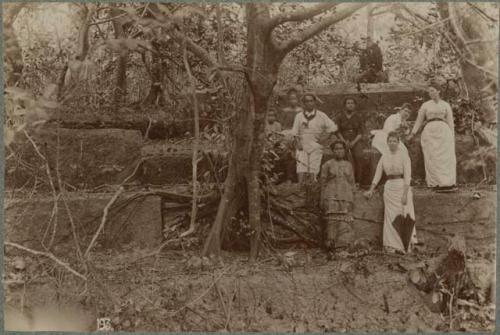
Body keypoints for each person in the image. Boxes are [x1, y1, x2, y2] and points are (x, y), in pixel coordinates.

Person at [364, 132, 417, 254]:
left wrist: (405, 194)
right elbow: (378, 174)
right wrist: (371, 189)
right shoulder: (384, 156)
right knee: (390, 216)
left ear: (398, 143)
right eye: (390, 141)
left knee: (405, 214)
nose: (392, 143)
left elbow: (408, 176)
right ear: (387, 143)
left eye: (394, 141)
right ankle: (392, 246)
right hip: (389, 188)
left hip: (402, 186)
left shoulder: (404, 156)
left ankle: (407, 245)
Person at [407, 84, 457, 191]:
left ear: (438, 91)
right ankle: (435, 183)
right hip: (430, 131)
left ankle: (448, 182)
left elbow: (450, 122)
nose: (431, 93)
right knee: (432, 156)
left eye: (433, 90)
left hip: (444, 131)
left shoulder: (445, 105)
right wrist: (413, 133)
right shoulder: (425, 105)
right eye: (429, 91)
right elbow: (419, 121)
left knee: (446, 157)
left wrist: (452, 136)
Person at [290, 92, 338, 184]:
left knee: (313, 167)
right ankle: (301, 187)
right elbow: (295, 132)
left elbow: (333, 127)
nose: (309, 103)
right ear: (303, 103)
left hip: (315, 143)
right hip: (302, 143)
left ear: (314, 102)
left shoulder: (321, 115)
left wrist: (323, 139)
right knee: (301, 166)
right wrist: (298, 142)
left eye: (311, 101)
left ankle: (312, 187)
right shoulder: (299, 116)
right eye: (306, 101)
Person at [320, 141, 355, 252]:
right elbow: (323, 183)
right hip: (331, 196)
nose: (339, 151)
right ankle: (331, 247)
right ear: (333, 151)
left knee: (345, 221)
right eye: (336, 149)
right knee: (332, 221)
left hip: (346, 196)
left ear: (345, 151)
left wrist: (352, 198)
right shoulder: (327, 165)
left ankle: (343, 247)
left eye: (341, 149)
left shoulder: (349, 165)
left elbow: (352, 182)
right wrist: (322, 198)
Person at [335, 97, 366, 186]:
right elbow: (337, 131)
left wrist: (354, 142)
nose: (350, 105)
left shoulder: (359, 117)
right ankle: (343, 179)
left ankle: (357, 181)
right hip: (342, 140)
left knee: (359, 155)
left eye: (352, 103)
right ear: (345, 105)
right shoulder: (340, 116)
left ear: (355, 105)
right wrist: (343, 141)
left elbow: (361, 132)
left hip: (356, 140)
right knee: (342, 156)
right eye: (348, 103)